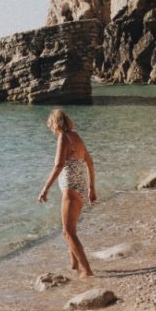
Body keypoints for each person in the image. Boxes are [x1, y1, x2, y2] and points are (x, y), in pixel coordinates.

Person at [38, 108, 97, 277]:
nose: (51, 128)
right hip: (81, 187)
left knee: (67, 231)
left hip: (71, 188)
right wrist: (92, 188)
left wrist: (45, 188)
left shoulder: (63, 137)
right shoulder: (76, 136)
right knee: (71, 229)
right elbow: (90, 162)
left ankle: (87, 271)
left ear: (55, 124)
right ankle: (74, 265)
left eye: (50, 125)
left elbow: (58, 165)